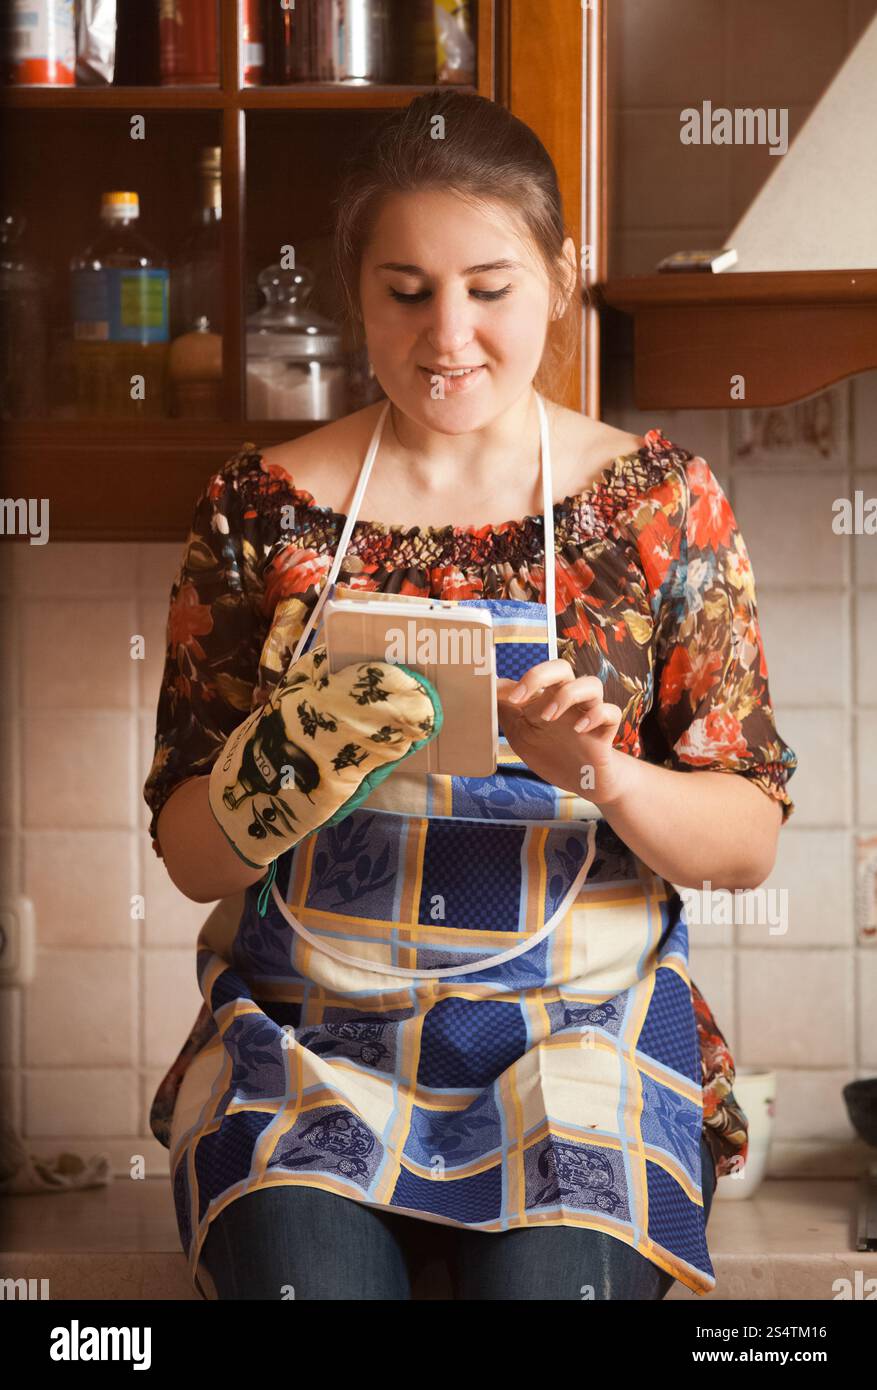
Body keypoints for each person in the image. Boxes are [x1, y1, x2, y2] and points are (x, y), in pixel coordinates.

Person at [143, 90, 797, 1301]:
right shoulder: (261, 508)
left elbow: (745, 838)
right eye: (406, 291)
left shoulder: (657, 507)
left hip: (582, 1050)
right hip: (309, 1051)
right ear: (356, 290)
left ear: (558, 278)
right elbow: (191, 852)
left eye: (489, 288)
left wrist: (597, 770)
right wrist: (291, 762)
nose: (448, 335)